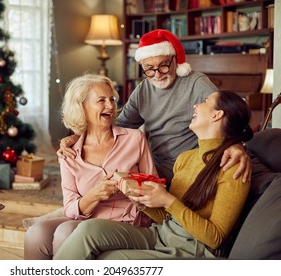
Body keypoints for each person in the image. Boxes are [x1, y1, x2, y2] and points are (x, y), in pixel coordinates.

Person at [54, 90, 254, 260]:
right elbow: (166, 217)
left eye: (204, 102)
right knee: (89, 230)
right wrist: (139, 198)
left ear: (217, 115)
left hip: (192, 251)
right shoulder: (186, 158)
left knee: (106, 260)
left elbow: (215, 238)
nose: (195, 106)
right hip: (161, 235)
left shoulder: (234, 167)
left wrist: (167, 200)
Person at [58, 29, 251, 186]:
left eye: (163, 66)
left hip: (186, 167)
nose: (157, 74)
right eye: (149, 69)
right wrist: (78, 137)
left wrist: (236, 145)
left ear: (175, 60)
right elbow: (120, 124)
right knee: (102, 180)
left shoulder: (196, 83)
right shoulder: (143, 90)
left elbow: (226, 113)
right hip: (152, 164)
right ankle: (67, 215)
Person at [24, 73, 159, 259]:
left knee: (65, 231)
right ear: (82, 107)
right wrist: (95, 195)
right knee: (36, 233)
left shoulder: (135, 139)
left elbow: (154, 186)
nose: (111, 106)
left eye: (112, 99)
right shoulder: (69, 153)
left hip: (126, 221)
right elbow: (70, 206)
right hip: (86, 218)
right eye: (101, 100)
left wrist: (135, 191)